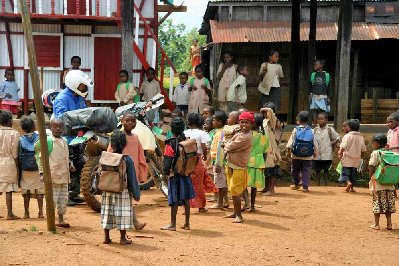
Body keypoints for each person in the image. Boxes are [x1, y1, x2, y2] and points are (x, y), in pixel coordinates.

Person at [53, 69, 93, 206]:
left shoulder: (79, 97)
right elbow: (61, 119)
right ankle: (66, 196)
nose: (84, 87)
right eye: (82, 85)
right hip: (66, 138)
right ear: (75, 84)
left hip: (78, 137)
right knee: (67, 167)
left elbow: (84, 113)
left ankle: (74, 194)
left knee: (78, 164)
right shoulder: (61, 98)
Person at [107, 112, 147, 230]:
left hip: (132, 173)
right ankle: (131, 222)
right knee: (123, 198)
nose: (130, 123)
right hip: (119, 173)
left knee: (127, 197)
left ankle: (133, 222)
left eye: (133, 121)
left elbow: (141, 156)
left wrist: (141, 172)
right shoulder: (118, 136)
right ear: (122, 121)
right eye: (127, 120)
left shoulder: (135, 138)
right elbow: (110, 153)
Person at [101, 131, 141, 245]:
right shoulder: (127, 159)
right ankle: (123, 238)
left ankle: (106, 237)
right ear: (124, 145)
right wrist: (136, 194)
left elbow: (99, 173)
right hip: (122, 191)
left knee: (107, 213)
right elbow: (132, 178)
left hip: (107, 190)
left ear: (111, 144)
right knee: (123, 213)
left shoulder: (105, 157)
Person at [36, 118, 73, 228]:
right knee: (52, 199)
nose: (58, 129)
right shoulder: (48, 141)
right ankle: (50, 220)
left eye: (60, 127)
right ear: (50, 128)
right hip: (53, 176)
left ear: (63, 129)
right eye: (55, 127)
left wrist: (70, 164)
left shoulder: (65, 141)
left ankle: (61, 219)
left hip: (64, 176)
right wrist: (42, 173)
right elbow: (41, 159)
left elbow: (65, 156)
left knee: (63, 199)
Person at [161, 118, 196, 231]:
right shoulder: (187, 140)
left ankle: (173, 224)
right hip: (185, 173)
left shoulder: (170, 142)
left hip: (175, 174)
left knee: (174, 199)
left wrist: (164, 174)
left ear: (172, 129)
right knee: (186, 199)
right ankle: (187, 223)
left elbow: (167, 160)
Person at [184, 113, 217, 213]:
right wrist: (205, 156)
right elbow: (203, 147)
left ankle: (186, 206)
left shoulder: (184, 132)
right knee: (198, 184)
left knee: (187, 183)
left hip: (186, 160)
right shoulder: (202, 133)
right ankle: (201, 206)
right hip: (197, 159)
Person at [224, 112, 253, 223]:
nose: (244, 124)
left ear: (251, 124)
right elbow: (229, 144)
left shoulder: (246, 136)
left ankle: (239, 216)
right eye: (242, 122)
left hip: (238, 167)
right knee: (232, 190)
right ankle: (235, 212)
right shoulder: (239, 133)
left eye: (246, 122)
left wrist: (226, 145)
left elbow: (230, 145)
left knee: (236, 192)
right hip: (231, 165)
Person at [368, 134, 396, 231]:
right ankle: (389, 224)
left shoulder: (375, 153)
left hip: (379, 183)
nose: (372, 144)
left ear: (378, 143)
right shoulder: (389, 152)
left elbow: (371, 165)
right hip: (390, 183)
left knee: (377, 202)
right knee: (388, 203)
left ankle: (376, 224)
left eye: (373, 142)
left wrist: (371, 176)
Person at [19, 117, 44, 219]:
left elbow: (20, 155)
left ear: (22, 128)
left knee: (26, 192)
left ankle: (26, 213)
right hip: (38, 167)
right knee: (40, 192)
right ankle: (40, 212)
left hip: (25, 169)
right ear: (34, 127)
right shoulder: (39, 137)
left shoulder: (21, 140)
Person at [286, 111, 318, 192]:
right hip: (308, 156)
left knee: (295, 170)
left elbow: (291, 141)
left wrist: (288, 151)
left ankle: (296, 184)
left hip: (296, 155)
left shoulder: (295, 130)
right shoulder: (312, 130)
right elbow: (315, 143)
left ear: (298, 120)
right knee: (306, 171)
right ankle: (305, 186)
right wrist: (315, 153)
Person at [243, 113, 269, 212]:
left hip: (247, 161)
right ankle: (252, 206)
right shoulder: (263, 136)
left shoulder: (248, 135)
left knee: (243, 184)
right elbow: (265, 152)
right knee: (254, 187)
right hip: (259, 163)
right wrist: (264, 163)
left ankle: (246, 203)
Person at [0, 110, 20, 220]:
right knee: (8, 190)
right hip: (9, 162)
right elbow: (15, 152)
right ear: (10, 121)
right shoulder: (14, 133)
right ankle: (9, 213)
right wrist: (17, 167)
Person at [260, 103, 283, 195]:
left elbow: (270, 112)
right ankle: (266, 187)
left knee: (272, 169)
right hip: (265, 148)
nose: (265, 113)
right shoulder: (264, 121)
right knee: (266, 169)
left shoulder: (274, 121)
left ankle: (271, 189)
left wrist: (268, 110)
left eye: (266, 112)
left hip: (272, 149)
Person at [338, 119, 367, 193]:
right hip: (356, 159)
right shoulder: (361, 137)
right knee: (353, 174)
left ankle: (348, 183)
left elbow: (343, 147)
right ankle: (352, 188)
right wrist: (361, 157)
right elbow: (363, 150)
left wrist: (340, 153)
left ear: (349, 127)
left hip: (347, 158)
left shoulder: (347, 136)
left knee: (345, 172)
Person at [313, 112, 340, 186]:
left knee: (326, 170)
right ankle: (317, 185)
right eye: (318, 119)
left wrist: (334, 141)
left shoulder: (330, 129)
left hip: (327, 154)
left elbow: (338, 137)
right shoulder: (315, 130)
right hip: (317, 154)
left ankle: (326, 185)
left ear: (326, 120)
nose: (319, 120)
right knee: (317, 171)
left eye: (321, 119)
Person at [209, 111, 229, 209]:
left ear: (220, 122)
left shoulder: (220, 134)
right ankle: (225, 201)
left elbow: (220, 150)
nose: (212, 122)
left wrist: (217, 164)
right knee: (222, 182)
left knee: (220, 183)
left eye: (214, 120)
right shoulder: (218, 131)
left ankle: (220, 202)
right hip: (218, 161)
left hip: (219, 161)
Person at [308, 60, 331, 126]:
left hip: (323, 96)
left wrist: (329, 96)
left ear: (321, 66)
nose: (314, 66)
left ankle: (323, 125)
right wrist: (309, 94)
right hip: (314, 95)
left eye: (316, 64)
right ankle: (315, 125)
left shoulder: (327, 75)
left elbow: (329, 86)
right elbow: (309, 85)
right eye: (314, 65)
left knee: (323, 111)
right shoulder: (313, 74)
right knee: (315, 111)